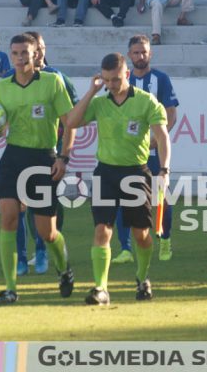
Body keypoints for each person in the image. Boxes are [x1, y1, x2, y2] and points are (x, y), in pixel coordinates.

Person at [65, 53, 170, 306]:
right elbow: (71, 122)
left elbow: (163, 137)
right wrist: (91, 92)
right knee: (102, 229)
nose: (111, 84)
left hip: (136, 172)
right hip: (106, 173)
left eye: (115, 79)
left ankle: (142, 278)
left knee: (141, 234)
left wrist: (164, 171)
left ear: (127, 74)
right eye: (106, 80)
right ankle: (101, 288)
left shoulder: (147, 102)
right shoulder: (100, 103)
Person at [0, 33, 75, 304]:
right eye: (15, 53)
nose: (21, 57)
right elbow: (0, 125)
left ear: (36, 54)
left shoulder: (52, 82)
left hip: (42, 160)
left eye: (25, 52)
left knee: (46, 231)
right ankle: (11, 288)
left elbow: (69, 123)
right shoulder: (3, 87)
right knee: (8, 217)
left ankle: (64, 269)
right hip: (13, 157)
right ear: (9, 56)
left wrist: (64, 158)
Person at [13, 31, 78, 276]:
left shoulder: (57, 78)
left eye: (40, 48)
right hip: (20, 152)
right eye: (34, 48)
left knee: (47, 208)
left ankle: (43, 250)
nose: (37, 53)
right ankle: (23, 256)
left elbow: (72, 115)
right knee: (20, 205)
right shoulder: (13, 78)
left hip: (49, 152)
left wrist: (64, 151)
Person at [111, 35, 179, 264]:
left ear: (150, 54)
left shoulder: (161, 79)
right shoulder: (121, 81)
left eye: (144, 52)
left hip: (154, 154)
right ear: (129, 55)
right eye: (136, 52)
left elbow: (171, 114)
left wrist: (156, 140)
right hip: (128, 156)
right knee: (123, 199)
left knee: (161, 200)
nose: (141, 56)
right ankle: (126, 248)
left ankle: (165, 239)